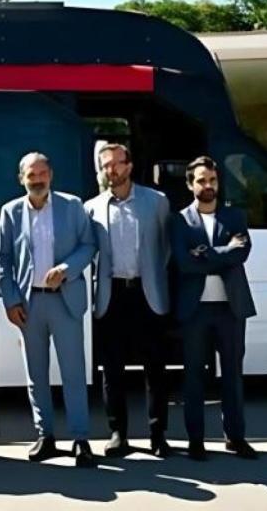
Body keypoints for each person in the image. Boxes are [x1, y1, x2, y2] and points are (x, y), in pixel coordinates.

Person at [0, 152, 97, 468]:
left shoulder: (72, 206)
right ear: (21, 179)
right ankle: (45, 436)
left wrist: (66, 269)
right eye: (31, 175)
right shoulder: (11, 212)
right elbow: (3, 259)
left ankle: (80, 438)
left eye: (42, 174)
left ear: (50, 175)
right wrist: (10, 300)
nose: (37, 180)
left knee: (73, 372)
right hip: (30, 303)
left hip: (65, 300)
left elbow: (89, 245)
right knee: (36, 374)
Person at [84, 143, 172, 458]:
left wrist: (154, 274)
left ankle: (158, 434)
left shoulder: (156, 202)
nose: (112, 170)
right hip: (112, 293)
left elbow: (166, 246)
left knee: (155, 367)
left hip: (147, 292)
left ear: (129, 165)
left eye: (117, 163)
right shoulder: (92, 208)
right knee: (112, 369)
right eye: (106, 165)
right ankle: (118, 433)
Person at [171, 156, 259, 461]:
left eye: (212, 180)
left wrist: (204, 253)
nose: (208, 186)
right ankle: (196, 441)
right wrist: (223, 253)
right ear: (190, 185)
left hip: (230, 308)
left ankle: (235, 438)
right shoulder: (179, 220)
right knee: (194, 376)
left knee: (233, 375)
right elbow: (183, 262)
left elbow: (241, 253)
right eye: (201, 180)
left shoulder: (235, 217)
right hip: (195, 310)